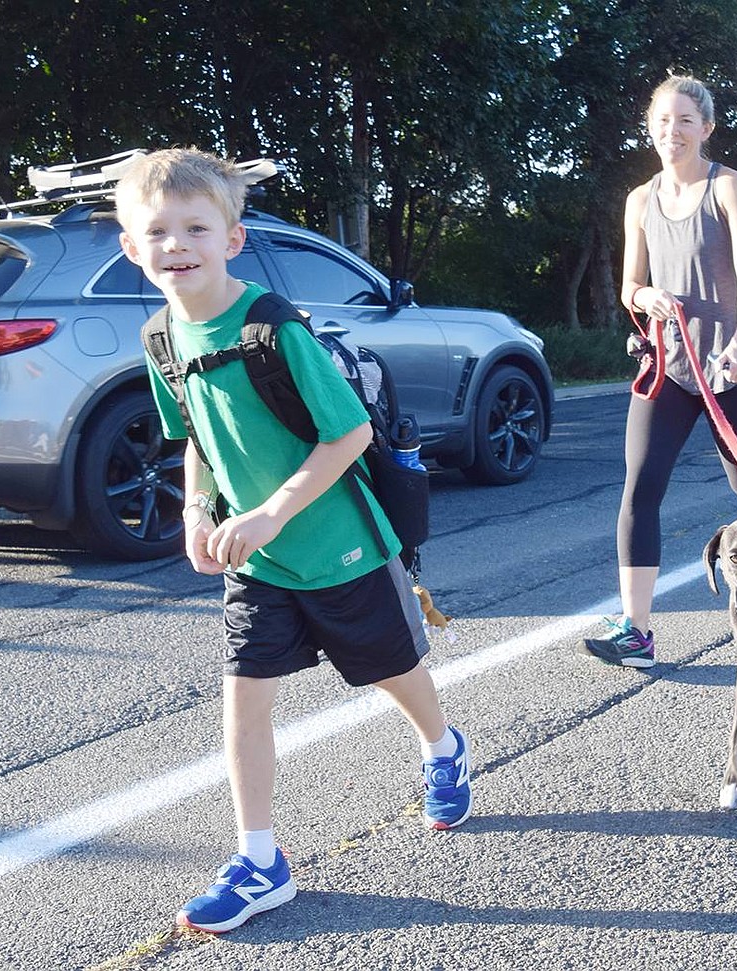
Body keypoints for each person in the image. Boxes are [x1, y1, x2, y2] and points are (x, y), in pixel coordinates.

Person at [116, 148, 472, 934]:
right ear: (131, 246)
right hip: (256, 557)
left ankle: (443, 746)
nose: (177, 245)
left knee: (393, 670)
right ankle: (259, 860)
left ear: (232, 239)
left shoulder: (272, 326)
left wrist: (272, 510)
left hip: (337, 541)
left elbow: (345, 431)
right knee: (244, 701)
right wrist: (195, 512)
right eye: (159, 231)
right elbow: (195, 438)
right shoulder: (161, 338)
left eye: (195, 228)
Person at [581, 74, 737, 669]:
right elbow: (629, 286)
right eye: (663, 121)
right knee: (640, 488)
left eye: (686, 120)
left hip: (726, 365)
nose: (673, 131)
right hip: (668, 366)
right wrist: (646, 300)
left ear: (706, 128)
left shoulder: (728, 186)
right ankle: (636, 630)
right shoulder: (640, 199)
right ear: (651, 129)